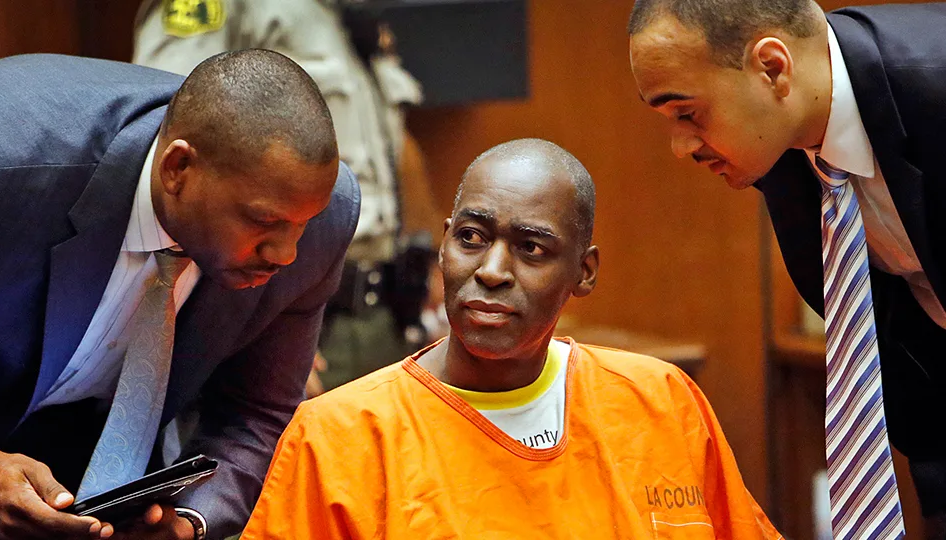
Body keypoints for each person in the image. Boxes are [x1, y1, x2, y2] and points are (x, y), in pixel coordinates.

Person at [239, 138, 780, 539]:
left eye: (531, 248)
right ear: (444, 245)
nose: (492, 270)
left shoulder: (662, 402)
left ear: (584, 273)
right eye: (471, 238)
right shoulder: (340, 437)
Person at [0, 49, 360, 540]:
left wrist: (189, 522)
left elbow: (259, 415)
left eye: (302, 225)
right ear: (177, 169)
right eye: (264, 221)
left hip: (99, 485)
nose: (288, 253)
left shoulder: (321, 213)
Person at [628, 1, 946, 537]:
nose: (681, 147)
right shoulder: (777, 143)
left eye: (687, 113)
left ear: (773, 68)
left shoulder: (933, 81)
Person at [134, 0, 440, 394]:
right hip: (284, 308)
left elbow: (393, 144)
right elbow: (172, 124)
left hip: (381, 312)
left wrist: (429, 257)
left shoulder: (350, 10)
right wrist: (264, 326)